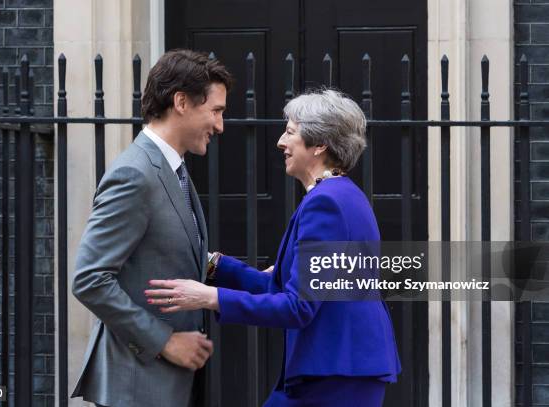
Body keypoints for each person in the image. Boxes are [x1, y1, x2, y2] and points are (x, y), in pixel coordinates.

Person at [145, 89, 401, 406]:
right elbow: (282, 287)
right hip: (338, 369)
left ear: (320, 144)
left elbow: (298, 306)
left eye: (291, 132)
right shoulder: (341, 195)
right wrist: (211, 264)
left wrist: (209, 297)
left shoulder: (327, 205)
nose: (281, 141)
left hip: (334, 375)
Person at [71, 49, 233, 407]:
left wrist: (248, 275)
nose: (220, 125)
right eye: (216, 111)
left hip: (168, 385)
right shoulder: (135, 174)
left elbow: (166, 251)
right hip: (138, 387)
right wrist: (164, 341)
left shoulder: (172, 167)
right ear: (181, 102)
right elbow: (89, 279)